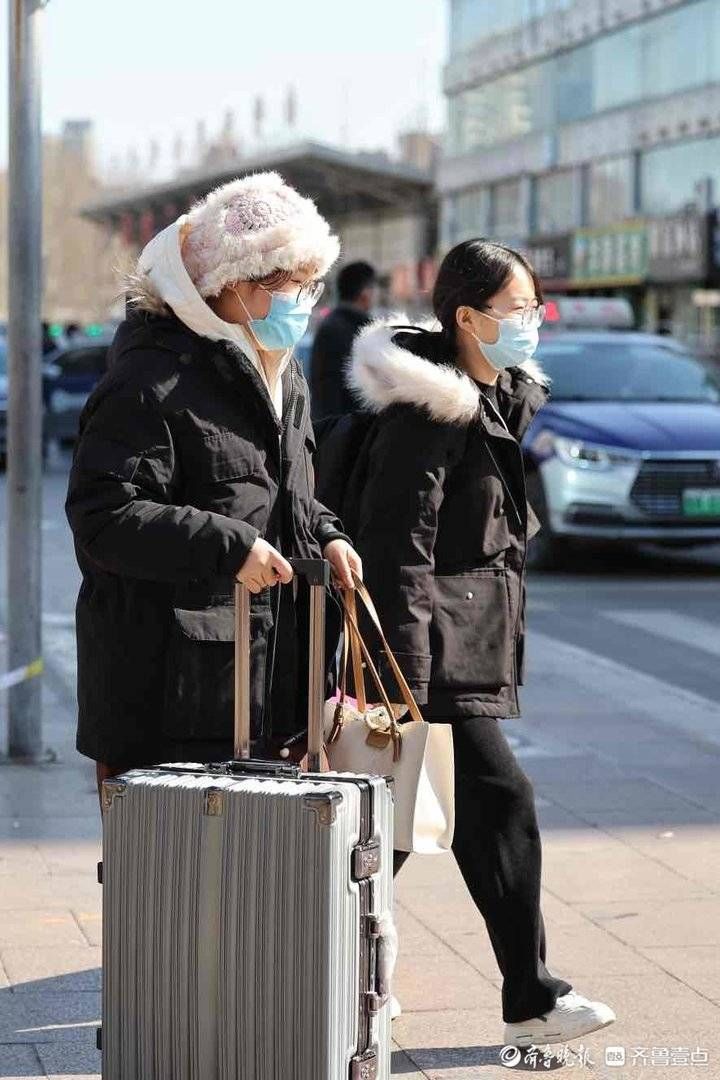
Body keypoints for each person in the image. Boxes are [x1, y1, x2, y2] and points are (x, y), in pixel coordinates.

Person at [338, 239, 616, 1048]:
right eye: (518, 309)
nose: (532, 322)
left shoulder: (494, 399)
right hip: (432, 654)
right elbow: (398, 549)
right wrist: (410, 682)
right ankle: (529, 995)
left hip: (460, 643)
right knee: (492, 807)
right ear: (467, 317)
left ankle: (317, 964)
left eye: (534, 308)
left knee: (391, 830)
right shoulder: (430, 415)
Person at [65, 171, 362, 796]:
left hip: (271, 688)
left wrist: (328, 536)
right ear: (225, 285)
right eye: (283, 285)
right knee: (171, 885)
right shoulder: (149, 380)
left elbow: (286, 495)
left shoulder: (281, 374)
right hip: (168, 699)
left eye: (310, 285)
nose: (300, 302)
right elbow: (103, 517)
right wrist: (230, 547)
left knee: (261, 885)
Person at [309, 260, 376, 419]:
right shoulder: (360, 331)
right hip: (346, 433)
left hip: (334, 430)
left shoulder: (331, 326)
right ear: (365, 294)